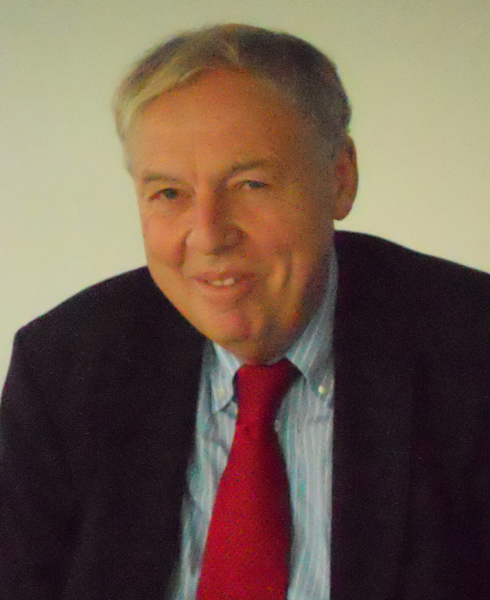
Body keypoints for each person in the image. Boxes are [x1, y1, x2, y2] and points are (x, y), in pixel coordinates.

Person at [1, 23, 489, 600]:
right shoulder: (64, 367)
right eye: (169, 193)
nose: (209, 235)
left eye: (251, 184)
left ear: (340, 178)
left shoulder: (472, 351)